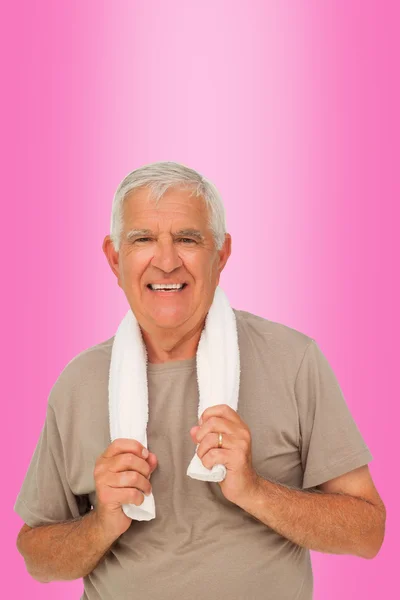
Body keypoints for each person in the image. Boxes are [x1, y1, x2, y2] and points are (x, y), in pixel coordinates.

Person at [14, 161, 386, 600]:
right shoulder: (77, 384)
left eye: (188, 239)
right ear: (115, 259)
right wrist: (102, 523)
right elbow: (35, 557)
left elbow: (368, 532)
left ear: (221, 254)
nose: (167, 261)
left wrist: (255, 490)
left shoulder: (294, 360)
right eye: (143, 239)